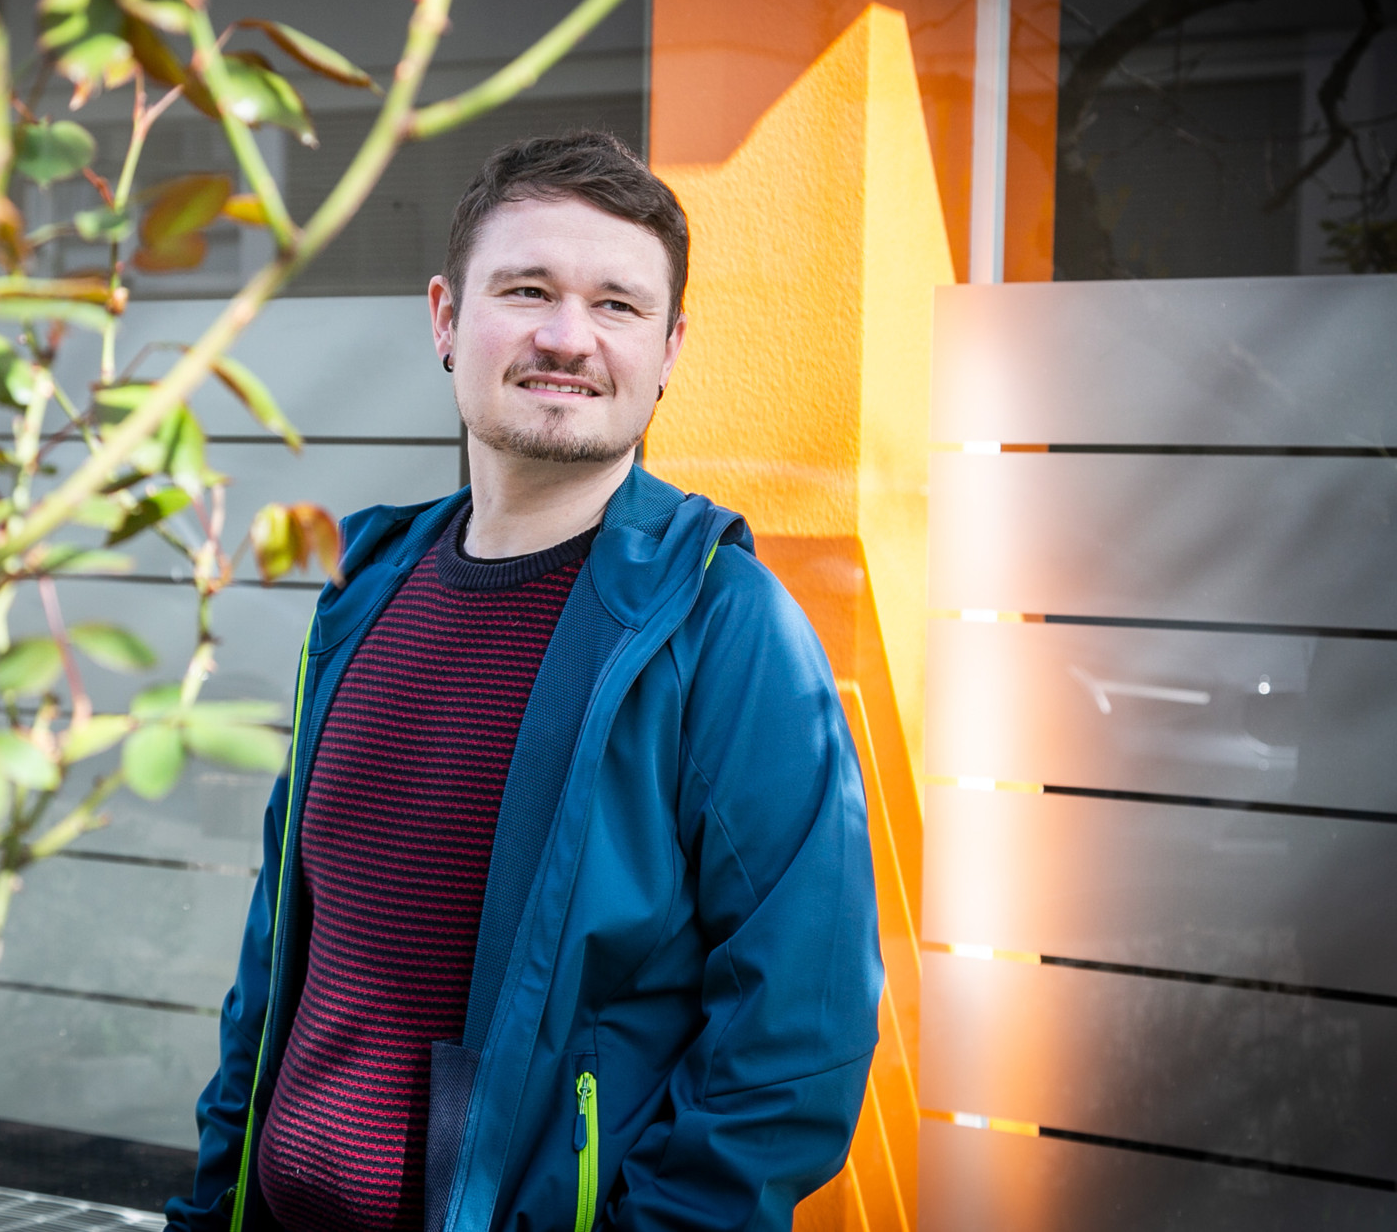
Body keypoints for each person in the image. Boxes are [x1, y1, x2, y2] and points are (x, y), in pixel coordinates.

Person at [164, 131, 882, 1232]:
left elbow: (797, 1042)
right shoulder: (364, 592)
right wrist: (214, 1199)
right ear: (446, 318)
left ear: (669, 349)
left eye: (617, 305)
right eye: (528, 290)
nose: (567, 336)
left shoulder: (722, 626)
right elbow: (275, 970)